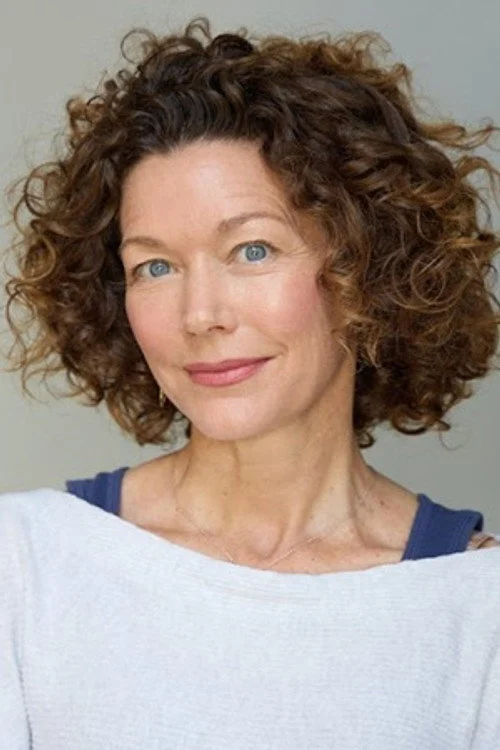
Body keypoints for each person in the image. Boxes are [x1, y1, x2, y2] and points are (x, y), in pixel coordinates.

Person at [1, 15, 499, 749]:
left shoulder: (478, 608)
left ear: (365, 268)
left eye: (253, 250)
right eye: (155, 266)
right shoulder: (23, 564)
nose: (200, 315)